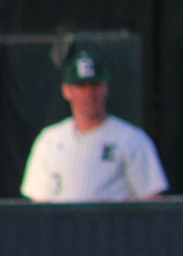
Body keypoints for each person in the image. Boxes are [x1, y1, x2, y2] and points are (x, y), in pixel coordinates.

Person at [20, 50, 168, 202]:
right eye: (81, 86)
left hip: (112, 224)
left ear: (105, 88)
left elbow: (151, 201)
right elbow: (39, 203)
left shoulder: (131, 139)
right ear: (66, 90)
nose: (89, 93)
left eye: (95, 85)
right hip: (63, 224)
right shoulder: (49, 140)